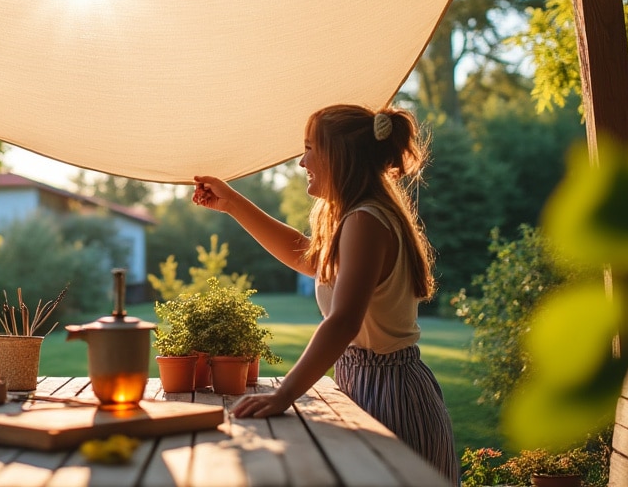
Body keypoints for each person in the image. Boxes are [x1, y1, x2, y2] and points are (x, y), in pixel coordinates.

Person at [191, 104, 459, 484]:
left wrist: (284, 394)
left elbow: (344, 321)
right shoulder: (363, 215)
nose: (302, 162)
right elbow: (306, 256)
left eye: (310, 148)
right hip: (375, 386)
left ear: (341, 156)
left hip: (389, 396)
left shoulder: (366, 220)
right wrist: (232, 203)